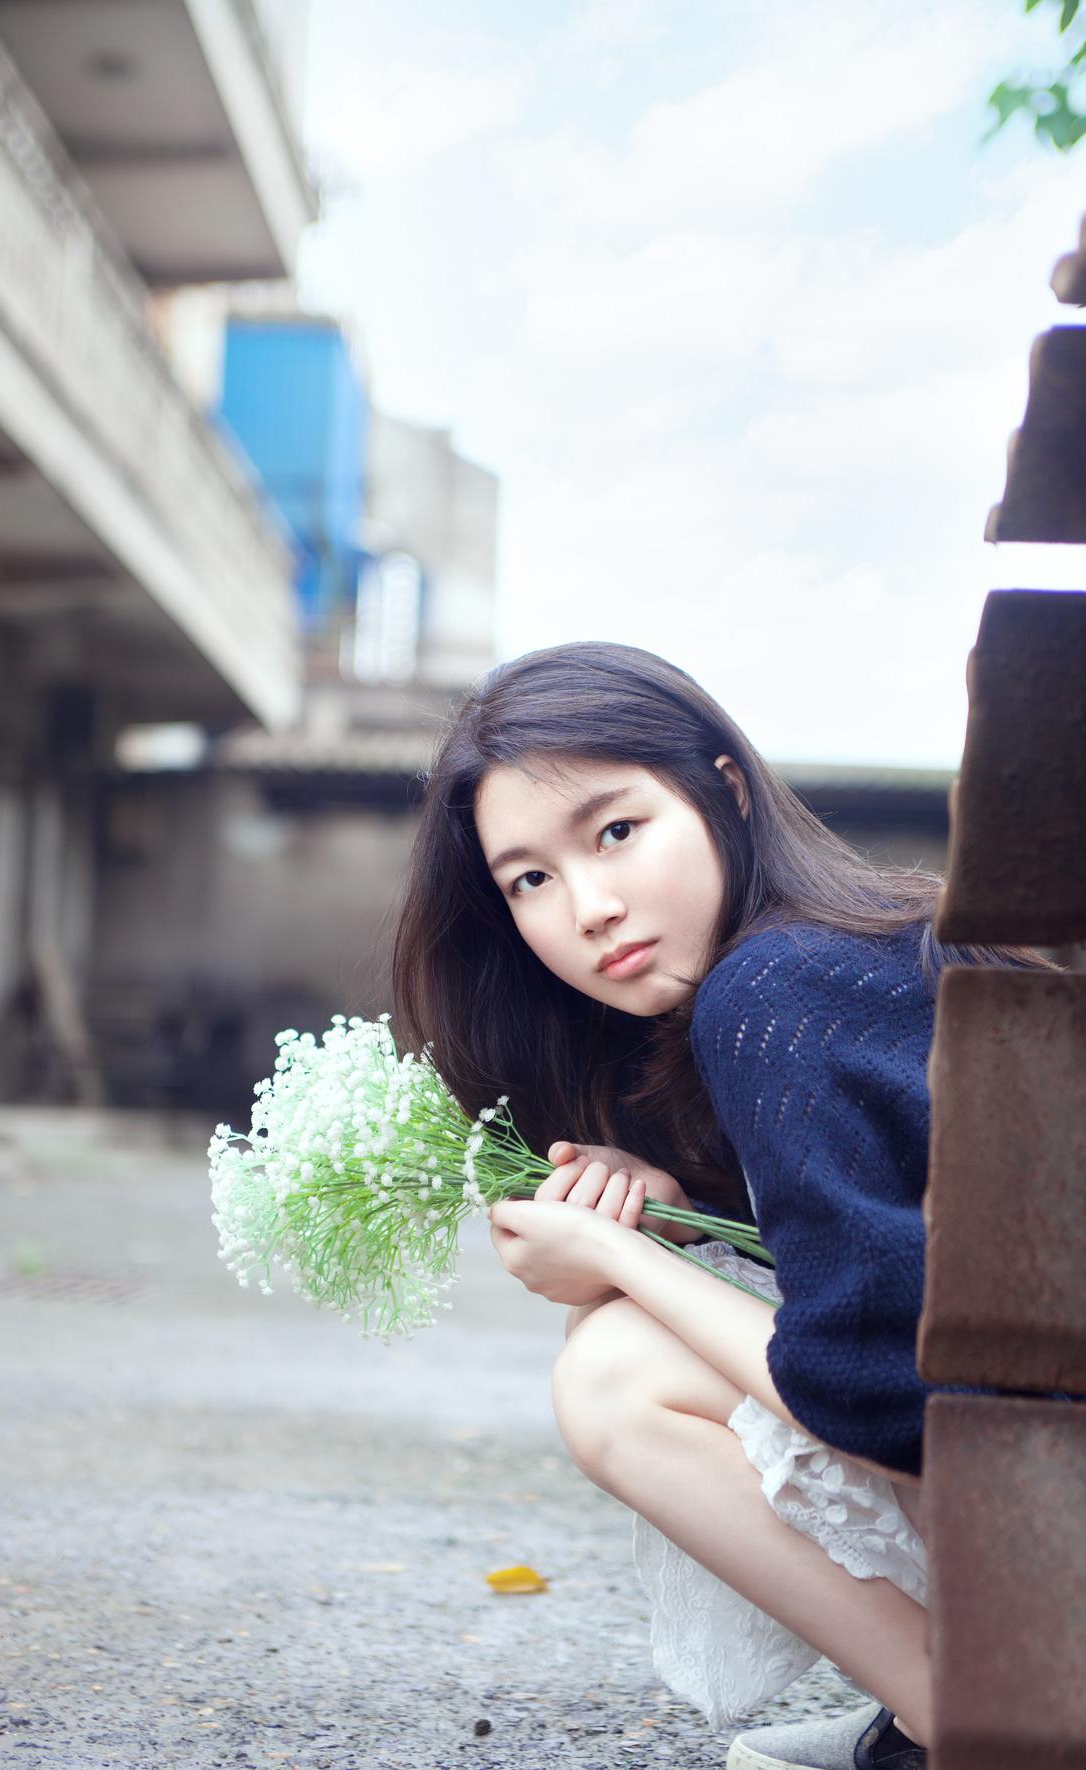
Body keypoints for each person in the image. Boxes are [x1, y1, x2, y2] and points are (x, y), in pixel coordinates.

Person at [390, 641, 1051, 1770]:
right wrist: (682, 1216)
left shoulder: (767, 987)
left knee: (613, 1370)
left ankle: (975, 1719)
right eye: (529, 881)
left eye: (615, 831)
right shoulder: (852, 947)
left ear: (725, 791)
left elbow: (882, 1398)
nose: (590, 908)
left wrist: (620, 1258)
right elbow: (896, 1280)